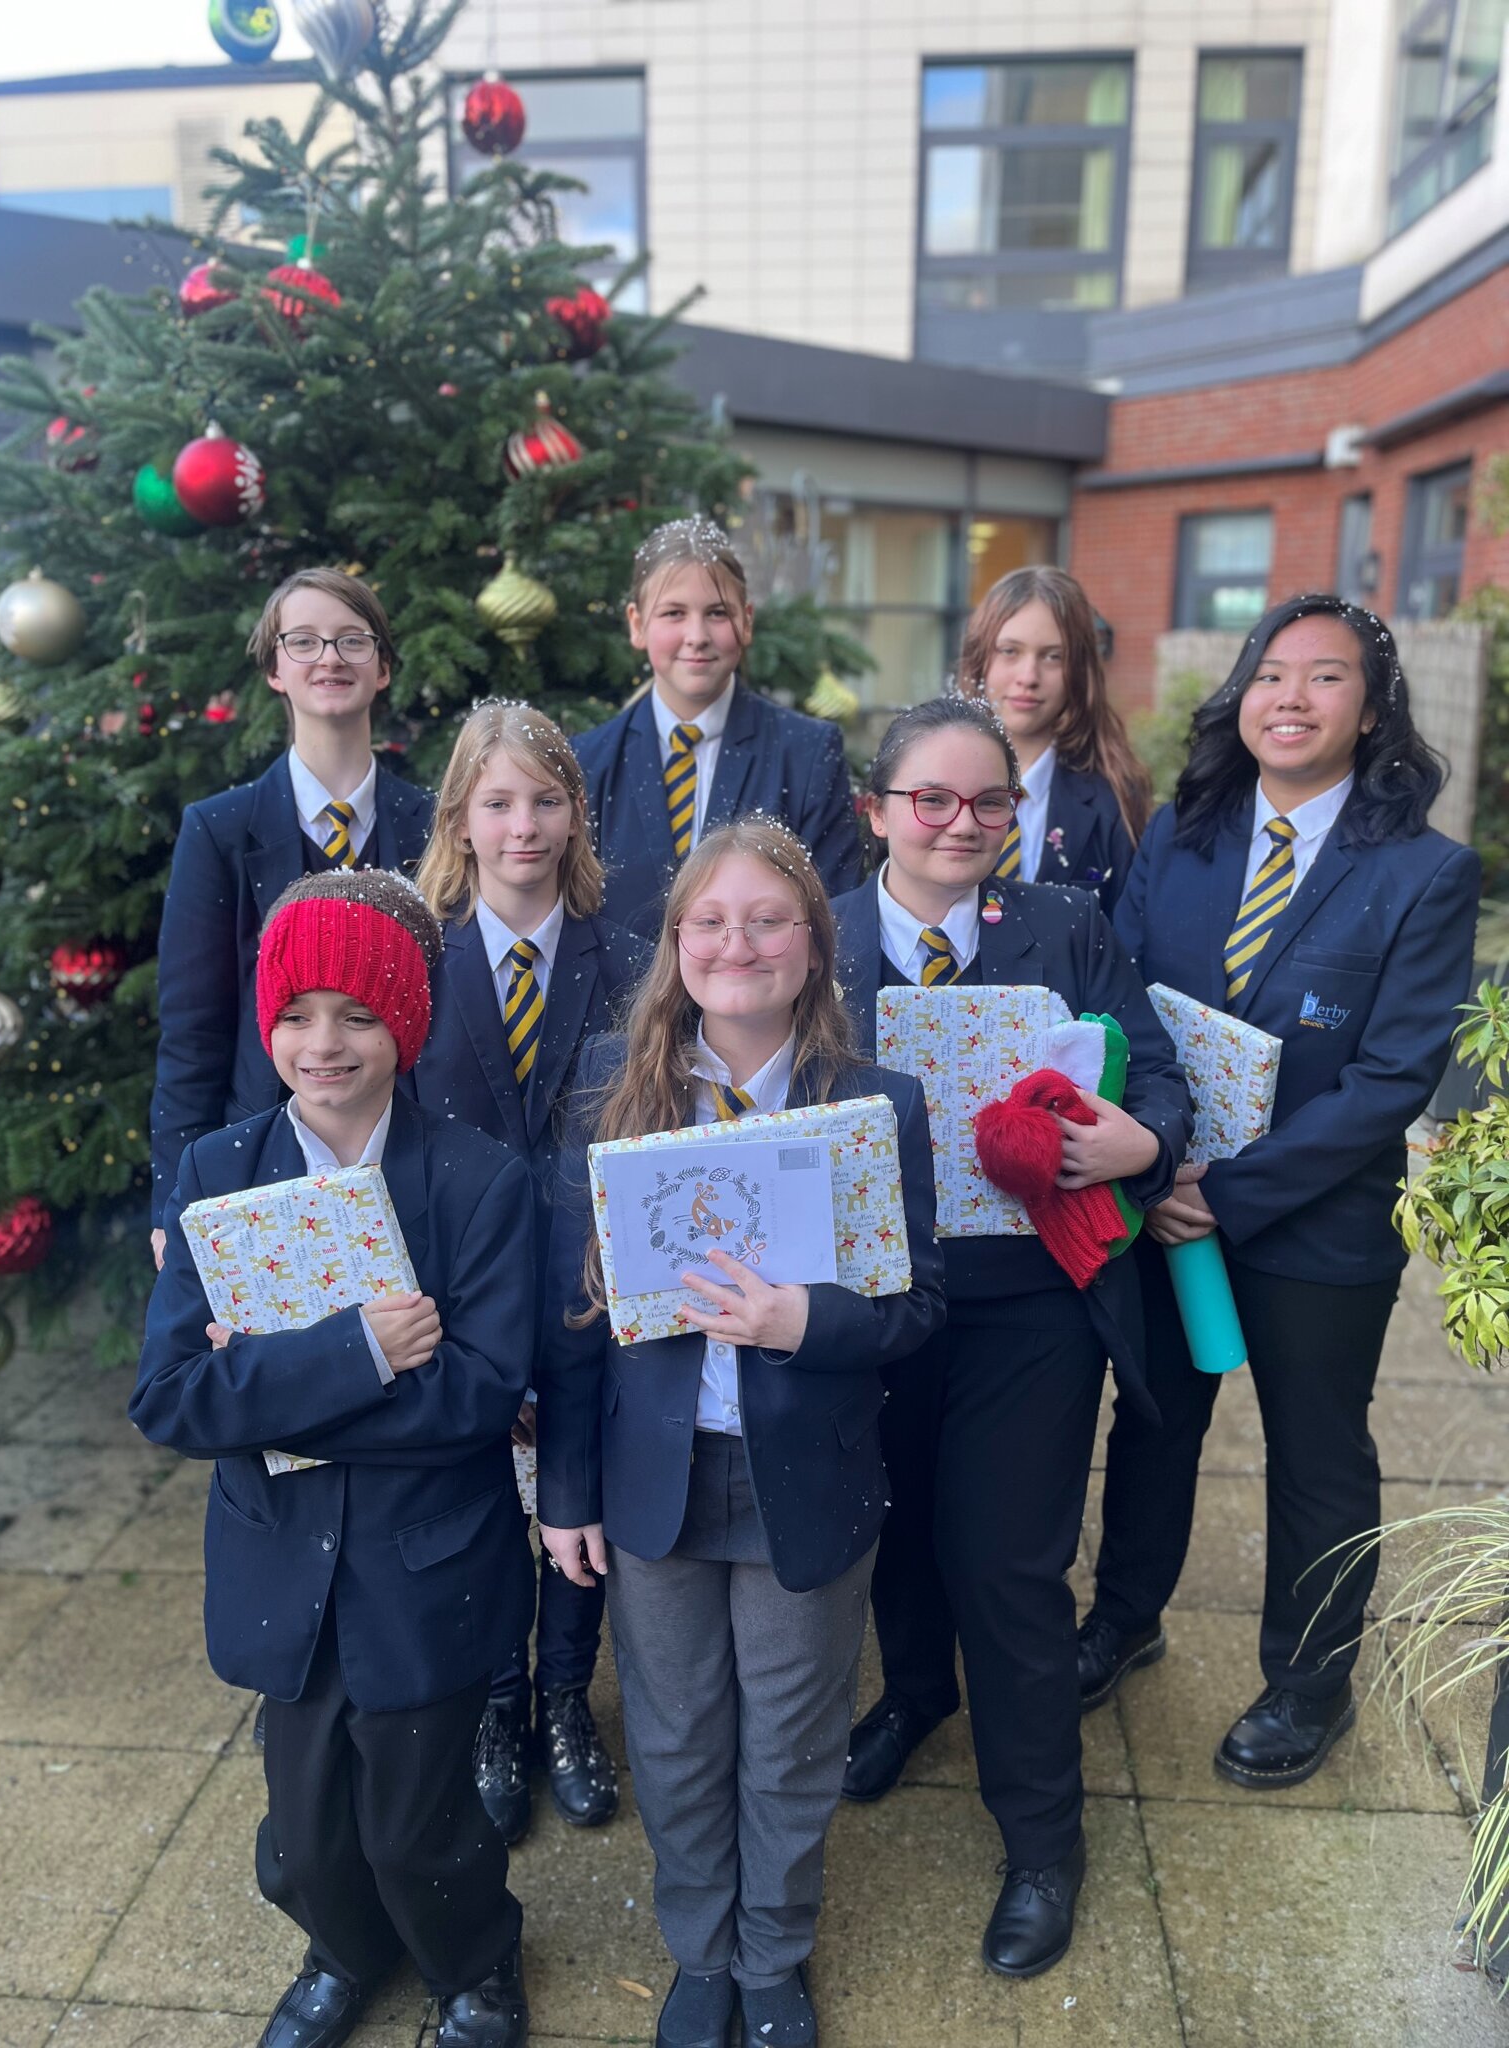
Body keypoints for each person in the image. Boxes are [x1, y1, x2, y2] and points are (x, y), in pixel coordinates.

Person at [535, 819, 945, 2048]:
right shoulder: (611, 1090)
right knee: (674, 1725)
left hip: (799, 1479)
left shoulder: (874, 1102)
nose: (737, 942)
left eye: (769, 919)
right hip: (653, 1472)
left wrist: (800, 1319)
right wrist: (564, 1492)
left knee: (792, 1727)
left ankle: (773, 1951)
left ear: (818, 946)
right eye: (709, 921)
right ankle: (699, 1946)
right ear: (675, 947)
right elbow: (569, 1323)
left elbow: (918, 1302)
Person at [1080, 593, 1481, 1789]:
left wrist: (1230, 1189)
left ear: (1373, 710)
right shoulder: (1182, 838)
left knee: (1318, 1452)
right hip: (1168, 1200)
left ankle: (1310, 1683)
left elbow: (1390, 1079)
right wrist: (1158, 1166)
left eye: (1325, 678)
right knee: (1154, 1421)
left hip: (1318, 1223)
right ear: (1240, 696)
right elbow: (1125, 1005)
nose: (1290, 698)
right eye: (1271, 674)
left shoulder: (1423, 871)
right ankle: (1124, 1615)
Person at [133, 868, 536, 2048]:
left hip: (427, 1562)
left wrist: (256, 1387)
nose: (325, 1042)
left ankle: (475, 1960)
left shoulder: (477, 1183)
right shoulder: (219, 1172)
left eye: (358, 1013)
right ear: (268, 1023)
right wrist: (355, 1352)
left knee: (422, 1821)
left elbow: (477, 1392)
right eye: (298, 1012)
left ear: (404, 1024)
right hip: (281, 1570)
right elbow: (168, 1394)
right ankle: (343, 1950)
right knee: (304, 1833)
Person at [832, 693, 1191, 1976]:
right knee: (899, 1529)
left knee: (1007, 1563)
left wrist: (1141, 1141)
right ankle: (920, 1692)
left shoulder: (1062, 925)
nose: (963, 821)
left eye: (989, 800)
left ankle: (1044, 1836)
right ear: (878, 811)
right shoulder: (811, 935)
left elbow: (1155, 1075)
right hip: (875, 1303)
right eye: (931, 797)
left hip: (1033, 1303)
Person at [411, 698, 648, 1843]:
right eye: (498, 801)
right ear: (460, 815)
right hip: (461, 1290)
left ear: (575, 812)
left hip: (588, 1284)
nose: (523, 825)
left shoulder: (630, 959)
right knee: (481, 1505)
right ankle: (500, 1702)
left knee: (576, 1497)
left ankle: (564, 1695)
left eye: (546, 799)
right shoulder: (418, 962)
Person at [150, 567, 432, 1268]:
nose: (329, 658)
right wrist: (174, 1206)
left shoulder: (434, 827)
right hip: (263, 1162)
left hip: (414, 1158)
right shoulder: (219, 831)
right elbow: (193, 1032)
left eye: (352, 641)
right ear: (275, 668)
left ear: (384, 667)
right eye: (303, 642)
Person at [571, 517, 863, 941]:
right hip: (622, 1004)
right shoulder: (590, 761)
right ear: (636, 624)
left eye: (717, 613)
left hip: (764, 1000)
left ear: (746, 620)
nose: (697, 635)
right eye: (674, 613)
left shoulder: (806, 754)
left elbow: (833, 911)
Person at [957, 565, 1151, 918]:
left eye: (1052, 656)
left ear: (1079, 669)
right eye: (1010, 651)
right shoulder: (925, 782)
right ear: (980, 658)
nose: (1028, 677)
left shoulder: (1115, 799)